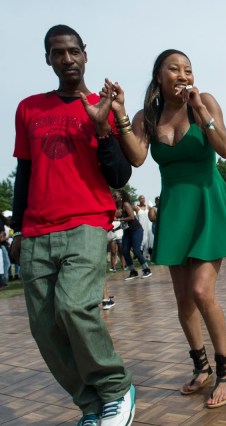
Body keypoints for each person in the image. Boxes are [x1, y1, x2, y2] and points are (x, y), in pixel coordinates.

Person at [107, 48, 226, 407]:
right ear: (159, 77)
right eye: (175, 69)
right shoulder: (148, 116)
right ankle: (201, 366)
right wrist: (121, 113)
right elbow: (137, 157)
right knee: (183, 298)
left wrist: (201, 112)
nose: (183, 75)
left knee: (202, 292)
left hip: (207, 202)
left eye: (188, 69)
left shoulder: (204, 102)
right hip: (174, 208)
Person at [10, 25, 135, 426]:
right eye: (57, 53)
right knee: (45, 326)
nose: (66, 59)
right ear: (48, 59)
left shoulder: (103, 106)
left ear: (85, 54)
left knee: (74, 306)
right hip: (37, 229)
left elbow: (119, 176)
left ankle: (116, 389)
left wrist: (102, 128)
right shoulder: (29, 108)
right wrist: (17, 230)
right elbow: (25, 172)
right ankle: (91, 405)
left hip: (87, 220)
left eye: (73, 51)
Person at [114, 190, 152, 280]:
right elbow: (125, 223)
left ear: (121, 197)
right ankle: (133, 272)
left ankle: (147, 269)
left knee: (136, 250)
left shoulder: (126, 204)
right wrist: (115, 229)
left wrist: (118, 220)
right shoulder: (117, 206)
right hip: (127, 232)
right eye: (112, 196)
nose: (113, 197)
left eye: (115, 196)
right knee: (125, 251)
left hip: (136, 230)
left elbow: (132, 217)